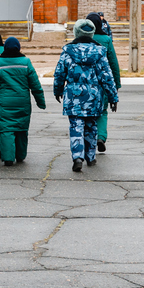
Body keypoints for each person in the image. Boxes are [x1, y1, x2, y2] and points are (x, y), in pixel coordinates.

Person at [53, 19, 119, 173]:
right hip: (93, 97)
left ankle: (77, 157)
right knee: (91, 126)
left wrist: (57, 91)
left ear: (76, 32)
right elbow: (107, 77)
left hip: (73, 98)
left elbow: (59, 73)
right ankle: (90, 156)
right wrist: (113, 97)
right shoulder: (99, 52)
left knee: (76, 127)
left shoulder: (68, 51)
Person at [0, 37, 46, 166]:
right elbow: (35, 84)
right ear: (18, 48)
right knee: (21, 128)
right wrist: (40, 102)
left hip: (4, 103)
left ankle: (8, 158)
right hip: (22, 102)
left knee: (6, 130)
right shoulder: (26, 62)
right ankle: (20, 155)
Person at [86, 12, 121, 153]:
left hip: (85, 82)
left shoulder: (81, 39)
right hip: (103, 83)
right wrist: (116, 85)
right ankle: (100, 137)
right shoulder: (106, 40)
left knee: (86, 112)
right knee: (102, 111)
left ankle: (87, 140)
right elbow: (113, 63)